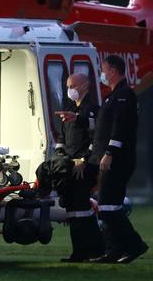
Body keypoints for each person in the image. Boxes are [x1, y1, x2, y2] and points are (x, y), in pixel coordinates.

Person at [90, 55, 148, 264]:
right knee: (107, 205)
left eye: (103, 70)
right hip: (110, 158)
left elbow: (120, 127)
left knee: (108, 206)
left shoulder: (123, 95)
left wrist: (109, 153)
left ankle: (134, 245)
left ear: (113, 70)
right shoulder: (115, 95)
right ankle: (114, 250)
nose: (102, 74)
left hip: (116, 160)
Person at [54, 73, 104, 262]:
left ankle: (94, 249)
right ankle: (80, 251)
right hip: (69, 166)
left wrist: (84, 160)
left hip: (84, 167)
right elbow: (62, 139)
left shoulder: (92, 110)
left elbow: (97, 138)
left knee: (81, 209)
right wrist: (59, 156)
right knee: (73, 211)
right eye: (68, 86)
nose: (70, 89)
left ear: (85, 86)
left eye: (73, 85)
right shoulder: (68, 110)